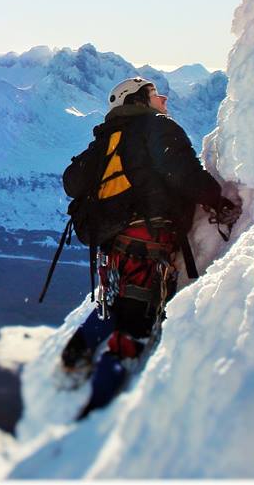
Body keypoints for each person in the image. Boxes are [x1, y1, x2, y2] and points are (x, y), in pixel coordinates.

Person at [58, 76, 240, 419]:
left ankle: (72, 360)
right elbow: (183, 173)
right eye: (158, 95)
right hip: (148, 242)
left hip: (114, 245)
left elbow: (73, 181)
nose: (165, 101)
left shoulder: (105, 140)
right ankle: (93, 416)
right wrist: (219, 202)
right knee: (135, 329)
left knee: (115, 305)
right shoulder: (157, 129)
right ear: (139, 98)